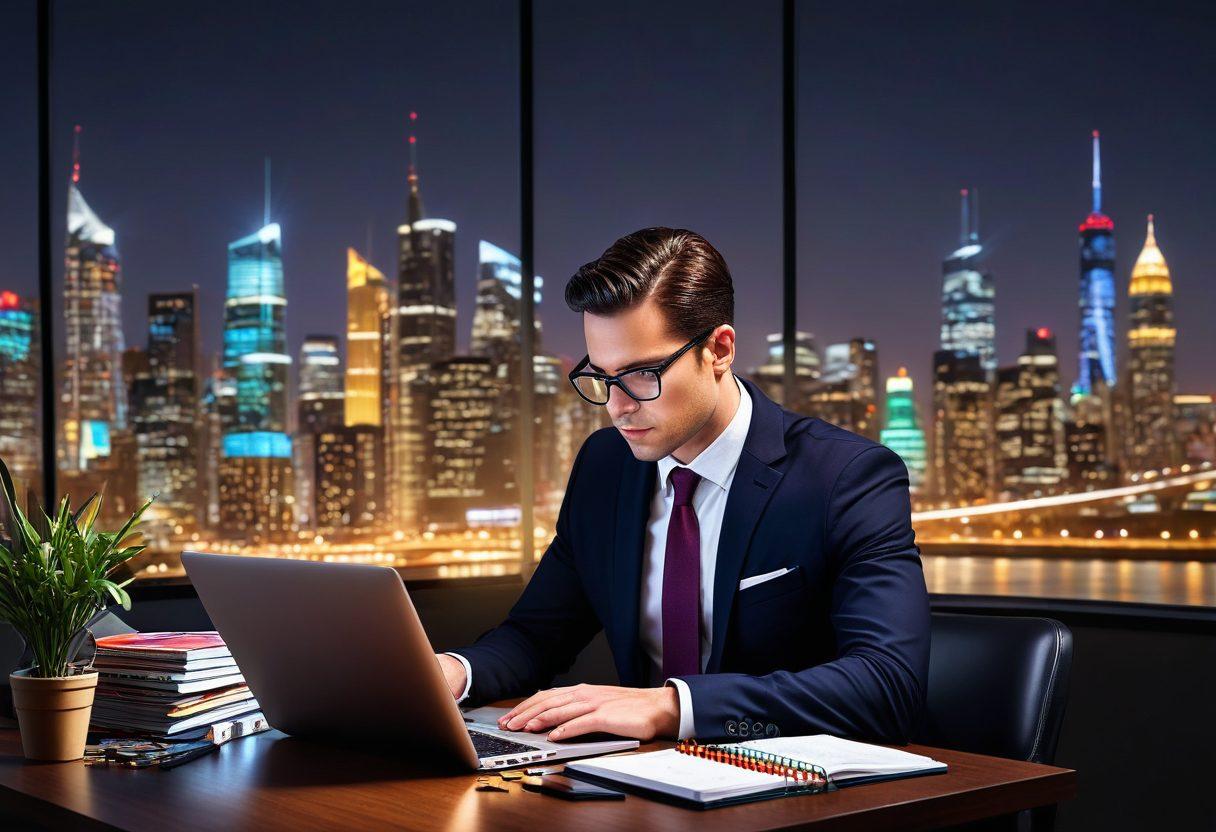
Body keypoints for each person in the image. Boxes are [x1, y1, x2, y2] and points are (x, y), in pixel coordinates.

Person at [435, 227, 930, 745]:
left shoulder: (845, 477)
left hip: (798, 791)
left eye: (642, 374)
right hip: (635, 785)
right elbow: (536, 636)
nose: (617, 407)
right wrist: (450, 673)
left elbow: (888, 685)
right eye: (601, 377)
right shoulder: (606, 466)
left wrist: (674, 707)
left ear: (719, 350)